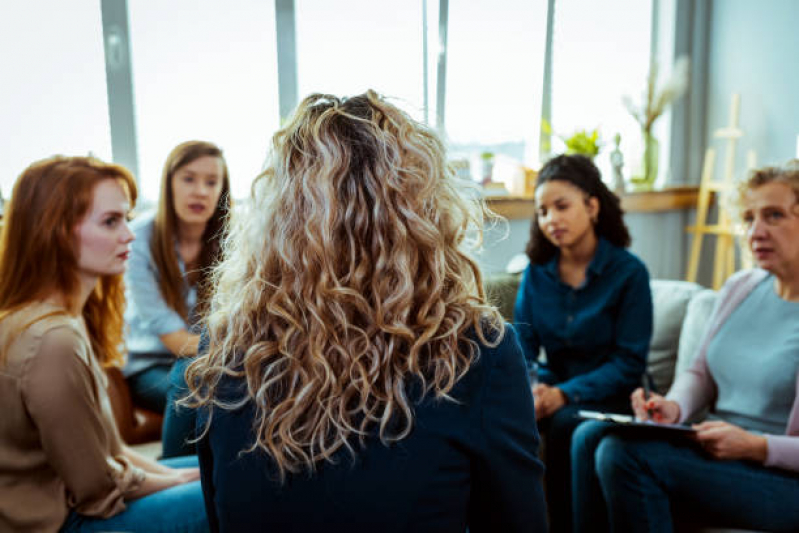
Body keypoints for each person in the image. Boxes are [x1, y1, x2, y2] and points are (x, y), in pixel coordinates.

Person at [182, 91, 547, 533]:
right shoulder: (478, 351)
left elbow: (219, 516)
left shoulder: (223, 347)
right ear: (423, 210)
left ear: (276, 217)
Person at [572, 160, 799, 533]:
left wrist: (755, 445)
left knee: (622, 455)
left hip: (779, 476)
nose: (755, 231)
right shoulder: (741, 287)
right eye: (749, 217)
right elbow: (700, 372)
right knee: (587, 436)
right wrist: (674, 408)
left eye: (774, 216)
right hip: (719, 450)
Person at [0, 156, 208, 532]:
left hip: (77, 496)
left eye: (126, 219)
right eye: (111, 221)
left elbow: (112, 452)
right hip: (59, 520)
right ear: (56, 231)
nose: (129, 235)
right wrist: (178, 482)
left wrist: (178, 477)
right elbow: (100, 490)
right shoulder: (52, 340)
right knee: (235, 496)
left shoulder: (61, 317)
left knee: (231, 472)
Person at [513, 154, 653, 532]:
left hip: (610, 393)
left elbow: (628, 363)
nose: (551, 220)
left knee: (564, 423)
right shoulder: (535, 273)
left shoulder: (630, 273)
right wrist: (531, 388)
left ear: (592, 206)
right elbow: (522, 341)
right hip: (554, 386)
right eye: (542, 211)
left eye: (562, 206)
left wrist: (564, 395)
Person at [124, 140, 230, 457]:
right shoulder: (138, 239)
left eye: (212, 182)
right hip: (149, 367)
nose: (200, 191)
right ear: (168, 183)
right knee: (193, 376)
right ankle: (173, 471)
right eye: (188, 179)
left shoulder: (232, 238)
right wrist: (234, 357)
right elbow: (174, 342)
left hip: (212, 361)